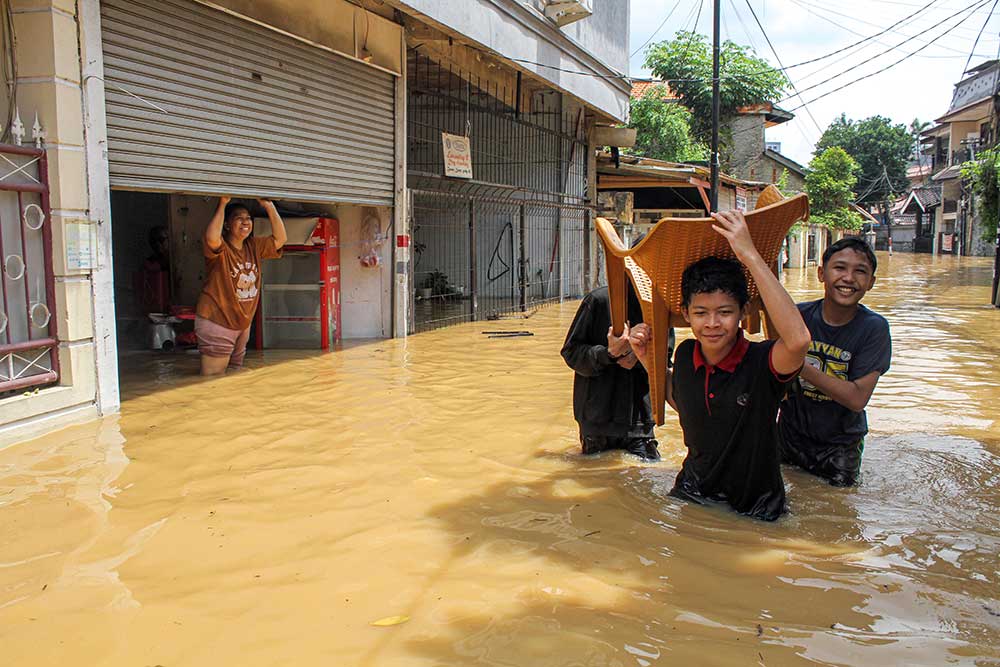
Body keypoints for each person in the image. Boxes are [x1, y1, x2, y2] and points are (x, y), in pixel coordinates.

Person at [629, 210, 811, 521]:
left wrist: (750, 254)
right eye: (701, 313)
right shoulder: (686, 355)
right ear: (686, 314)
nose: (712, 324)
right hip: (692, 493)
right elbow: (682, 399)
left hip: (756, 507)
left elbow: (797, 341)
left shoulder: (763, 362)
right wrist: (647, 359)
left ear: (742, 312)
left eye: (724, 312)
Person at [778, 237, 891, 487]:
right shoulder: (798, 315)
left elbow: (857, 398)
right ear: (821, 274)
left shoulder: (874, 329)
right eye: (839, 268)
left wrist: (798, 365)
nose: (849, 278)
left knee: (838, 514)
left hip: (840, 447)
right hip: (789, 436)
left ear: (871, 283)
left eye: (860, 271)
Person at [560, 278, 672, 461]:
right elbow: (570, 353)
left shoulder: (659, 306)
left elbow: (665, 358)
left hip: (639, 419)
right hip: (597, 417)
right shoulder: (598, 300)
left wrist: (637, 357)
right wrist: (609, 354)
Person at [195, 196, 287, 376]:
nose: (245, 222)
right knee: (212, 380)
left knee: (233, 376)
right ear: (227, 225)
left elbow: (280, 239)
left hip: (242, 323)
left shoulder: (253, 245)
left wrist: (269, 206)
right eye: (239, 218)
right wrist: (222, 203)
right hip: (218, 320)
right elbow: (212, 237)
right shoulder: (221, 248)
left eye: (248, 218)